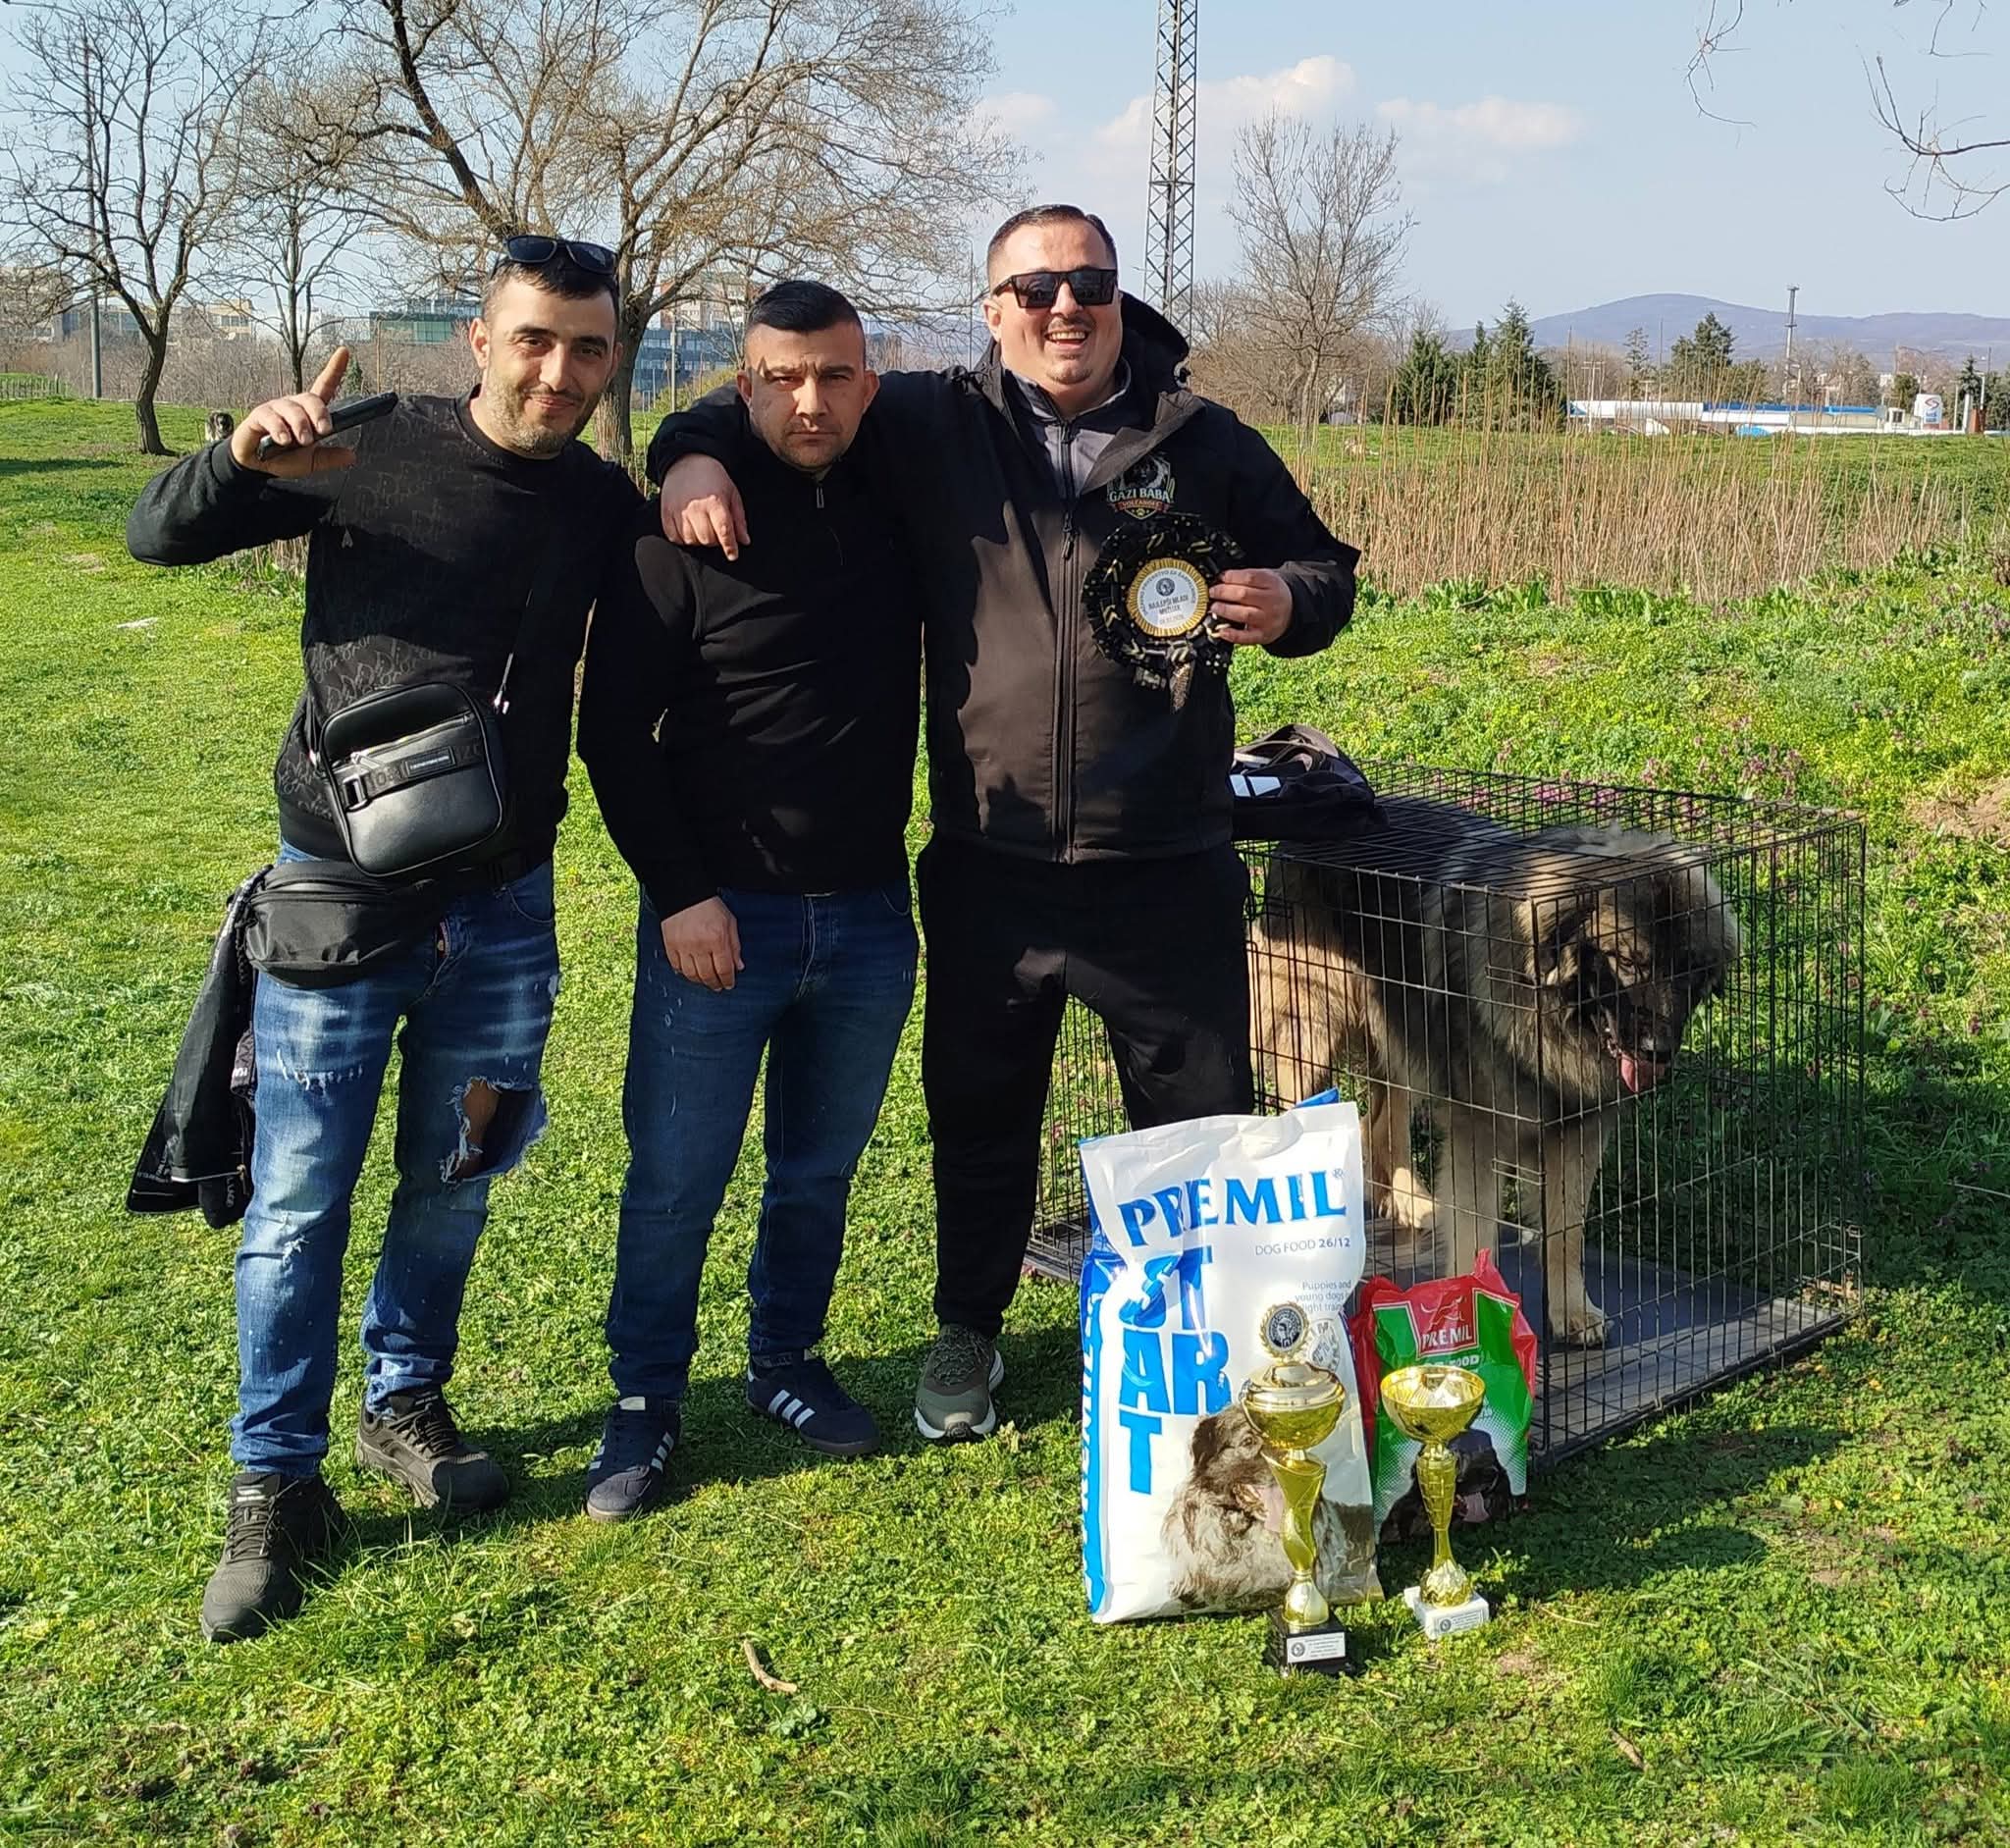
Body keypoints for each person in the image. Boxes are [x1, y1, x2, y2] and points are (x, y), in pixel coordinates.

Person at [650, 204, 1359, 1446]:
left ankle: (1203, 1348)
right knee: (979, 1120)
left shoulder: (1201, 438)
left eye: (1087, 282)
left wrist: (1287, 599)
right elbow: (782, 392)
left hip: (1167, 861)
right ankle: (967, 1328)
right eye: (1033, 289)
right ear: (993, 311)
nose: (1063, 306)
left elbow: (1325, 568)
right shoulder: (930, 422)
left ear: (1117, 296)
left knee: (1197, 1126)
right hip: (990, 862)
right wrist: (688, 456)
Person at [126, 237, 635, 1641]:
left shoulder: (600, 502)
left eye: (588, 348)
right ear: (480, 338)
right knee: (300, 1196)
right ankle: (274, 1481)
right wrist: (240, 458)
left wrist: (703, 470)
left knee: (456, 1175)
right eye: (534, 339)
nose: (559, 371)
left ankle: (404, 1401)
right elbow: (156, 535)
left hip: (507, 902)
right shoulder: (367, 443)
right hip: (340, 895)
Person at [573, 281, 919, 1520]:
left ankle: (784, 1359)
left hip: (868, 917)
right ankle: (643, 1397)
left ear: (868, 383)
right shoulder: (681, 531)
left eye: (833, 376)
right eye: (779, 378)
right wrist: (681, 894)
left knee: (815, 1169)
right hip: (719, 919)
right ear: (743, 384)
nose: (808, 400)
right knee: (676, 1177)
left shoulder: (898, 495)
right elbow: (612, 732)